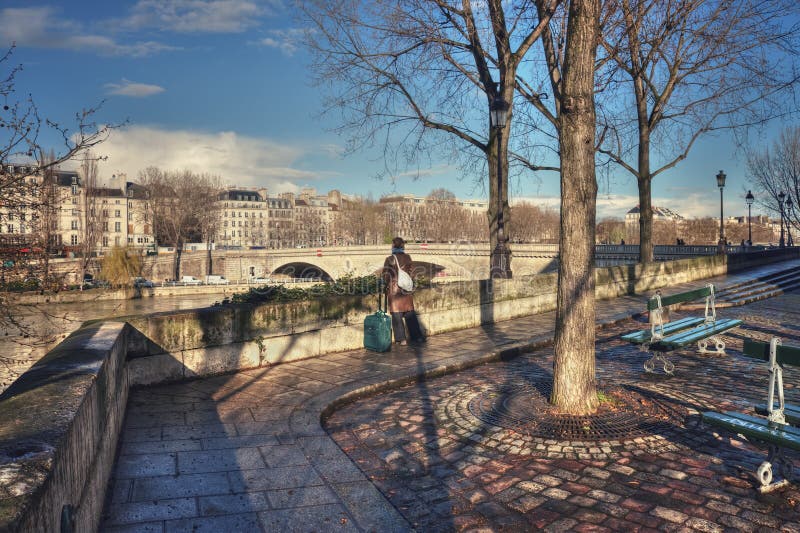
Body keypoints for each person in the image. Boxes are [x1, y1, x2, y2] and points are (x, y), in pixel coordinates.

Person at [382, 237, 425, 346]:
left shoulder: (390, 259)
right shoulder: (408, 257)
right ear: (402, 246)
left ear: (393, 246)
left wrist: (385, 286)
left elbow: (386, 275)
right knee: (410, 314)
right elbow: (412, 273)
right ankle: (417, 336)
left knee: (396, 316)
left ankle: (401, 339)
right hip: (406, 290)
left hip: (394, 290)